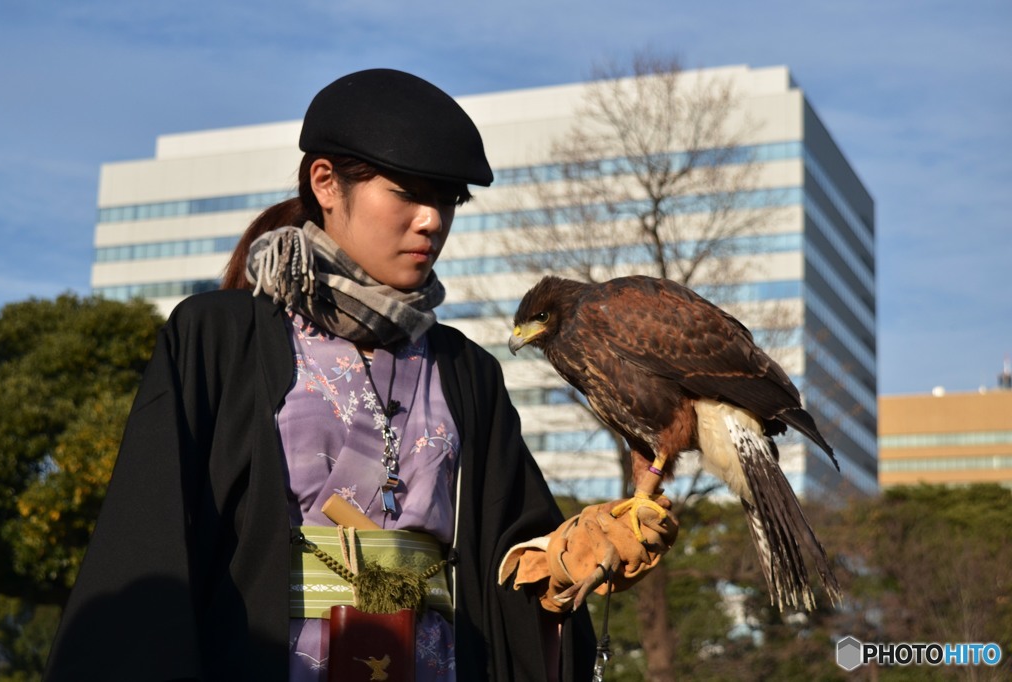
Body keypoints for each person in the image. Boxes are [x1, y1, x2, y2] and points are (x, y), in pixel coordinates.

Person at [44, 68, 673, 682]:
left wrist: (557, 571)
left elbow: (509, 570)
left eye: (447, 200)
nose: (432, 220)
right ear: (326, 182)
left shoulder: (468, 371)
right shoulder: (219, 336)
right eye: (408, 193)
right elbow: (151, 555)